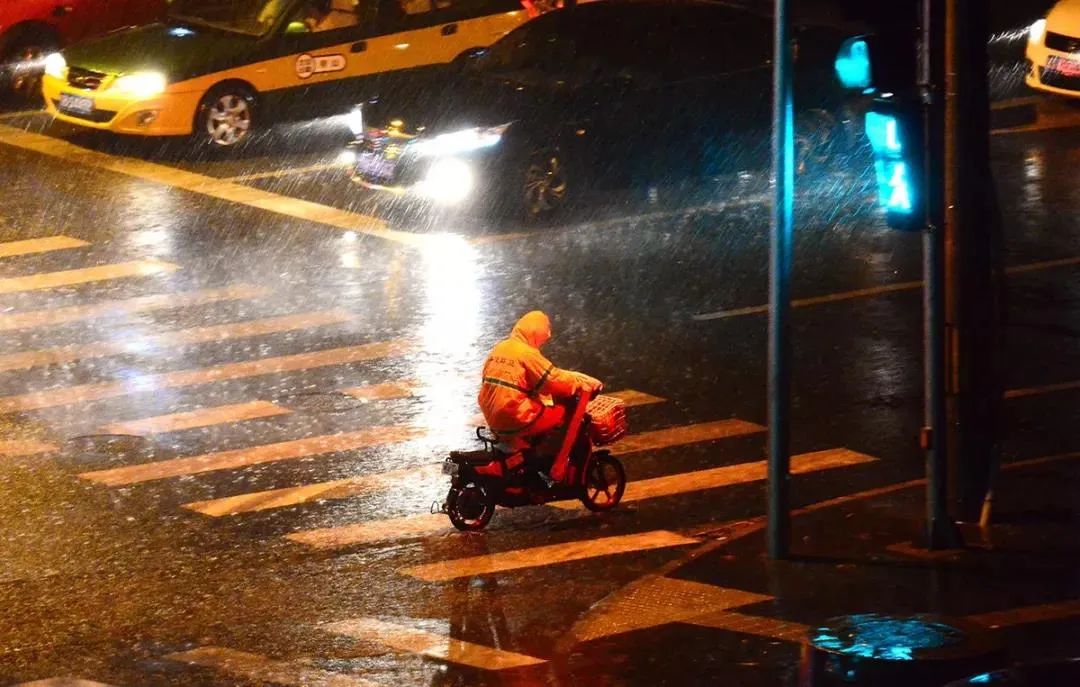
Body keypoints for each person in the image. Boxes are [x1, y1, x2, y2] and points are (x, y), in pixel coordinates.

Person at [478, 311, 601, 484]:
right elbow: (553, 380)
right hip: (514, 413)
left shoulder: (502, 347)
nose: (546, 338)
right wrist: (581, 382)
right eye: (543, 335)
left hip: (493, 412)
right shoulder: (526, 353)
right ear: (534, 332)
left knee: (540, 413)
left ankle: (528, 458)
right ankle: (550, 464)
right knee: (561, 414)